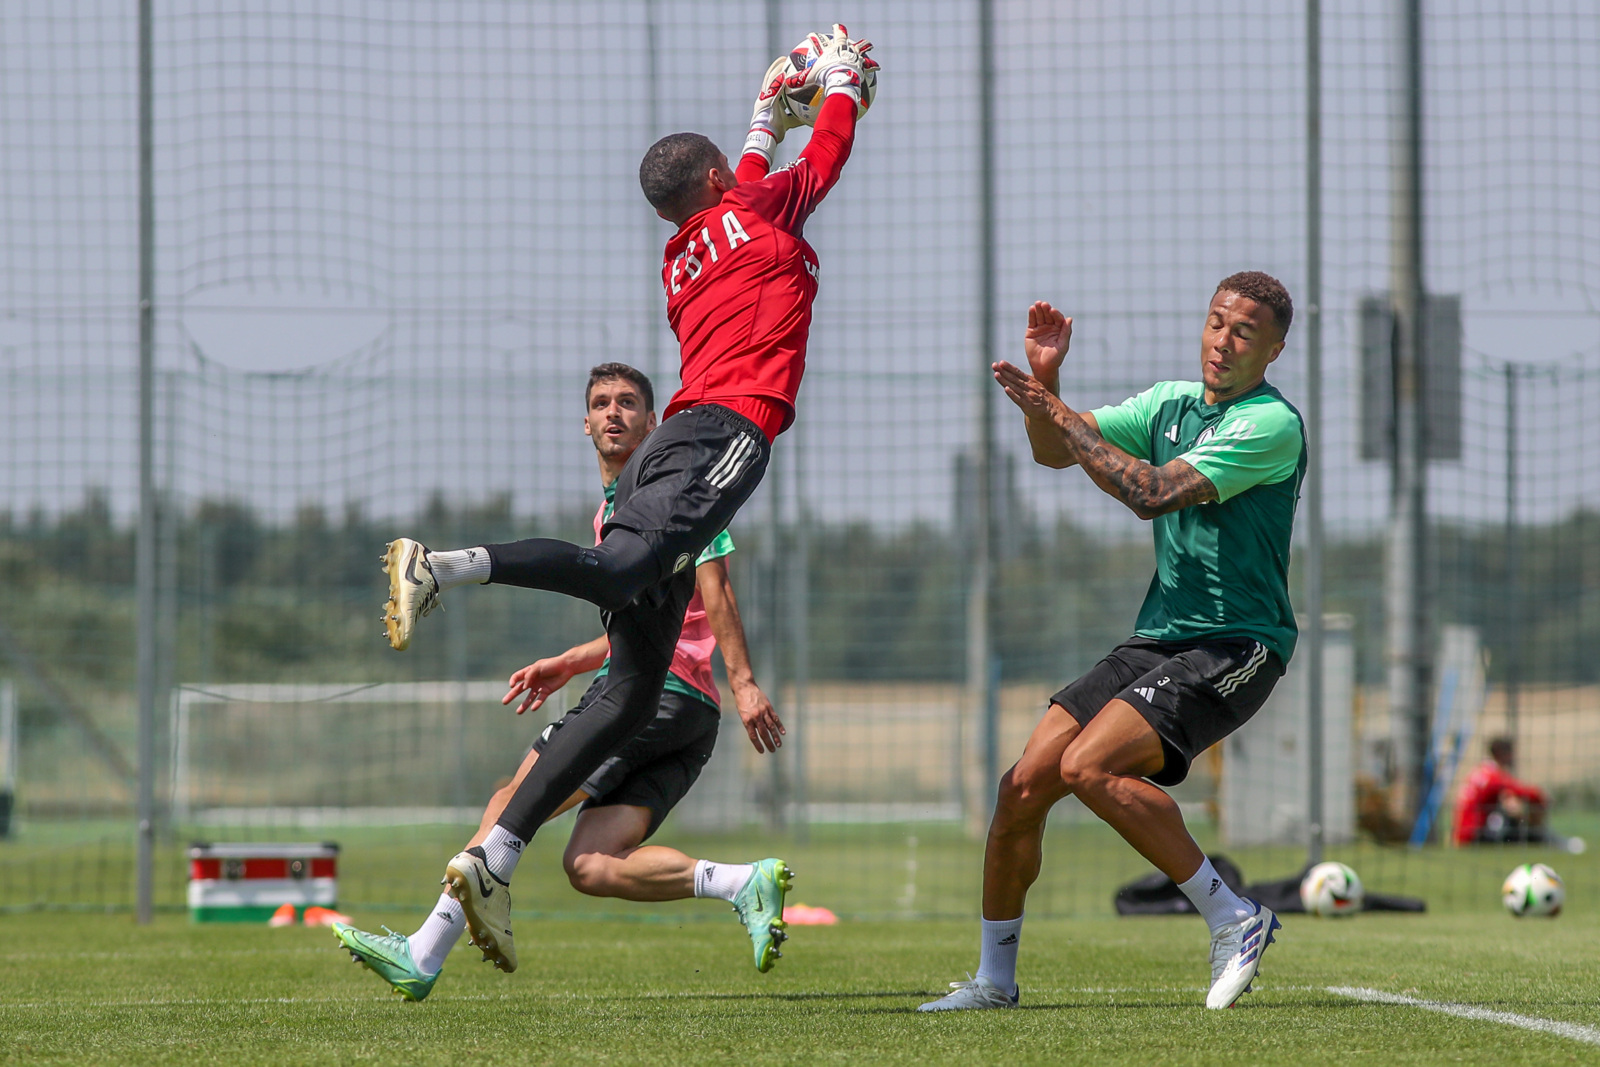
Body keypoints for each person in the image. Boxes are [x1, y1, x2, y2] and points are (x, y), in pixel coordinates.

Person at [368, 30, 875, 977]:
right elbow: (830, 150)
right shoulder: (754, 220)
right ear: (723, 180)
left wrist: (767, 116)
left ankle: (466, 899)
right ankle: (440, 567)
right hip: (721, 435)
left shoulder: (686, 250)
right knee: (621, 571)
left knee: (625, 691)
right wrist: (838, 83)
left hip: (674, 447)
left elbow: (750, 172)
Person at [336, 364, 790, 1001]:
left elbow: (717, 594)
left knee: (509, 799)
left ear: (654, 422)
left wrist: (744, 680)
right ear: (584, 423)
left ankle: (424, 949)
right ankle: (743, 883)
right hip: (684, 714)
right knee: (593, 864)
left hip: (660, 697)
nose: (614, 413)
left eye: (629, 403)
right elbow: (651, 625)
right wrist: (571, 662)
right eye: (601, 403)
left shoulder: (678, 496)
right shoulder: (615, 514)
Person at [920, 273, 1305, 1013]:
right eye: (1217, 322)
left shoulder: (1269, 424)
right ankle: (994, 982)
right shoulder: (1168, 403)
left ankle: (1235, 916)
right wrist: (1047, 382)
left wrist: (1055, 408)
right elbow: (1053, 452)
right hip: (1161, 636)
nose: (1223, 341)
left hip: (1239, 643)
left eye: (1244, 333)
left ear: (1274, 350)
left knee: (1088, 765)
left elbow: (1151, 492)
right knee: (1023, 786)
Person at [1452, 736, 1581, 851]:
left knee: (1512, 805)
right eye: (1510, 753)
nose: (1513, 757)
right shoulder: (1493, 775)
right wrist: (1543, 797)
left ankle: (1552, 840)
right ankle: (1556, 842)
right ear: (1501, 754)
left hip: (1466, 833)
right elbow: (1524, 791)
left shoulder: (1480, 770)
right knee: (1518, 819)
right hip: (1475, 836)